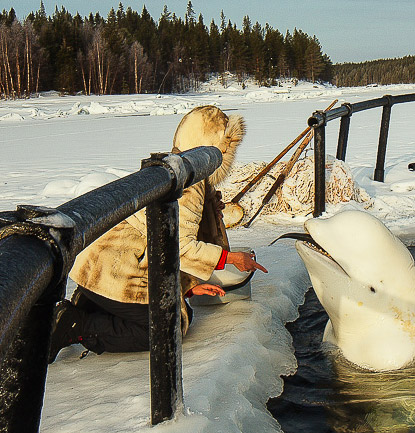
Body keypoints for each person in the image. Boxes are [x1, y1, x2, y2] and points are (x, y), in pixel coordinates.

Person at [49, 105, 268, 362]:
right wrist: (232, 259)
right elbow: (179, 246)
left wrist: (188, 287)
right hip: (115, 272)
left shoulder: (175, 168)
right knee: (167, 326)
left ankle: (92, 304)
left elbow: (165, 237)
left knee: (181, 307)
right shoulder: (190, 185)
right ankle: (76, 325)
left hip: (99, 265)